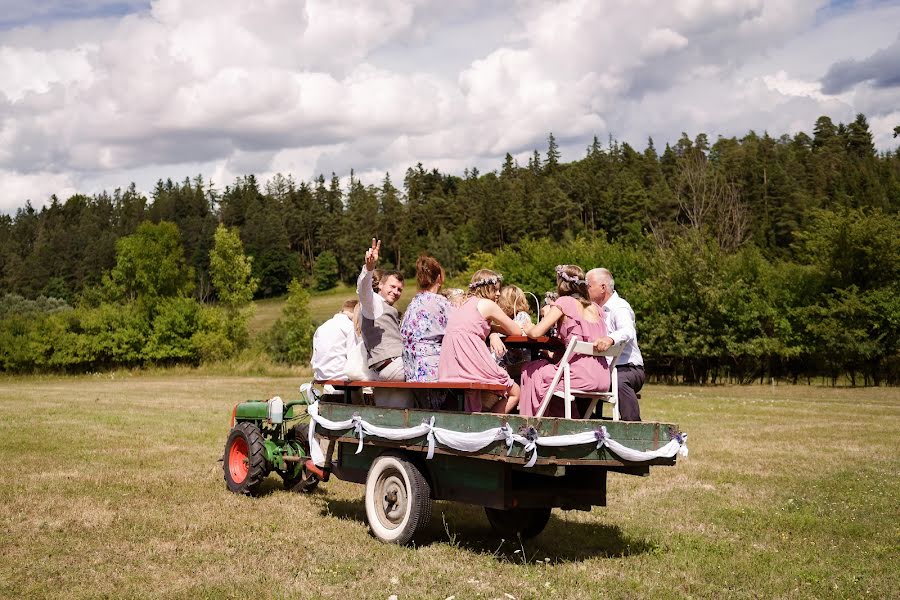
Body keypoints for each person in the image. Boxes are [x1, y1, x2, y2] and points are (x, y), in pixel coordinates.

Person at [519, 265, 610, 418]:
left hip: (578, 377)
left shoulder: (565, 302)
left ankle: (529, 421)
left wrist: (527, 327)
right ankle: (566, 420)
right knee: (551, 374)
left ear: (561, 284)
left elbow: (536, 333)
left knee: (530, 369)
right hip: (602, 377)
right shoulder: (596, 308)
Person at [438, 269, 530, 414]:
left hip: (450, 367)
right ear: (487, 288)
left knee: (478, 390)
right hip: (471, 364)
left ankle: (479, 416)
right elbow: (516, 331)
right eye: (496, 290)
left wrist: (491, 329)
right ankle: (488, 423)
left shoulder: (463, 304)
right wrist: (495, 328)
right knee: (515, 392)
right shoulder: (487, 304)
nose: (499, 294)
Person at [357, 238, 409, 407]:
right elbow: (363, 290)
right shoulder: (373, 304)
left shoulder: (385, 307)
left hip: (393, 365)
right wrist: (369, 268)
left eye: (399, 289)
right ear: (380, 285)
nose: (396, 292)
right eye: (392, 287)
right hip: (391, 364)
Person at [586, 267, 644, 421]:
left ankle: (635, 431)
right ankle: (585, 427)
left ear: (603, 287)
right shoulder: (591, 310)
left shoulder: (620, 306)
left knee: (618, 381)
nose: (585, 290)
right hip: (604, 370)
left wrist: (610, 339)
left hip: (629, 369)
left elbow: (628, 331)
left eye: (588, 286)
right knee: (580, 379)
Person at [400, 255, 452, 408]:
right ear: (439, 278)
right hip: (431, 371)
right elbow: (461, 328)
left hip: (411, 370)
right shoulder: (439, 302)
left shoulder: (414, 303)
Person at [311, 299, 358, 396]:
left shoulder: (321, 327)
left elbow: (313, 359)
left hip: (321, 376)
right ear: (356, 312)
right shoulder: (349, 327)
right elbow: (354, 358)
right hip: (340, 377)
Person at [495, 285, 533, 380]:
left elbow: (515, 332)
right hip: (509, 360)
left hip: (519, 361)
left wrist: (494, 329)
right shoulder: (507, 318)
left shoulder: (522, 316)